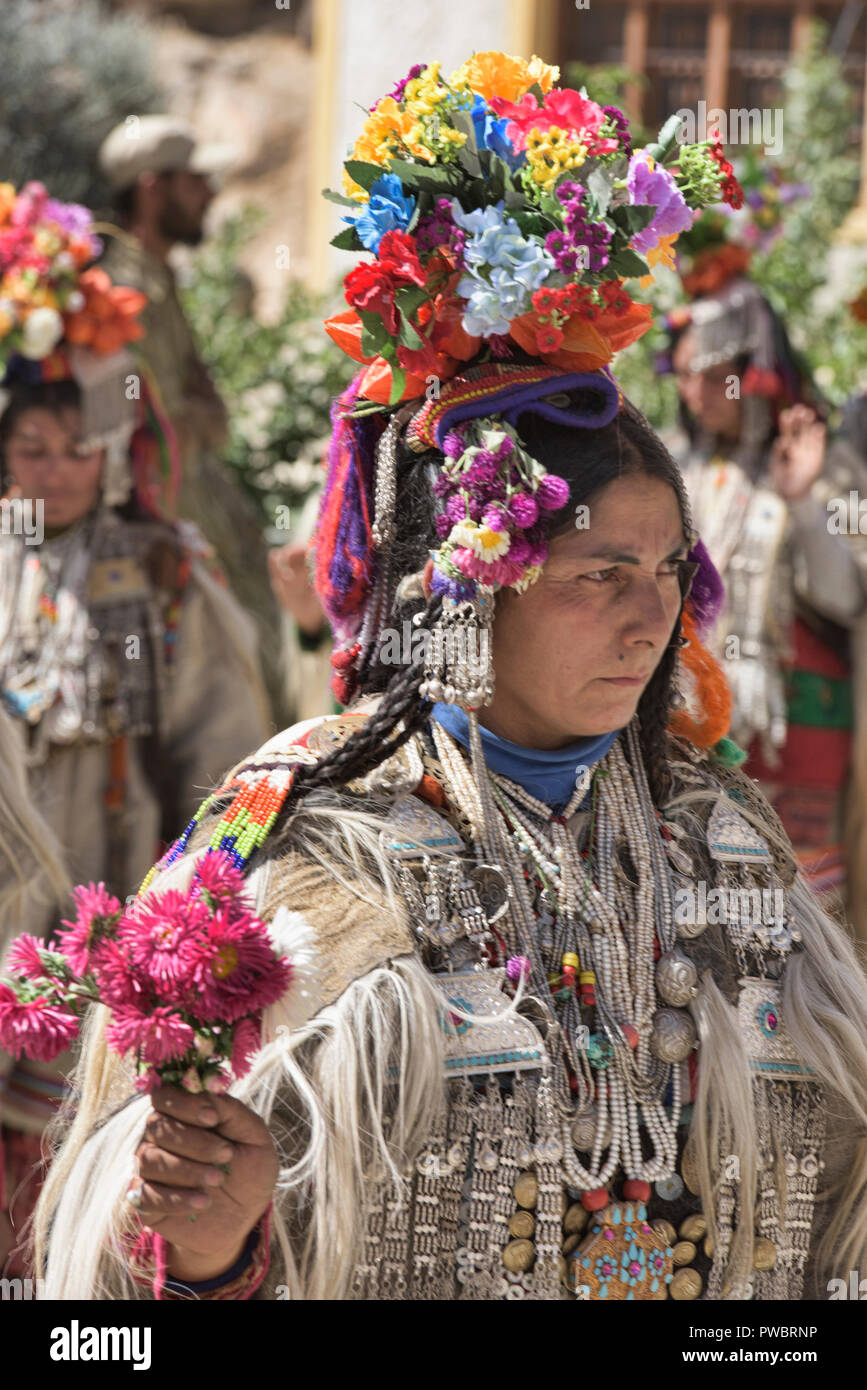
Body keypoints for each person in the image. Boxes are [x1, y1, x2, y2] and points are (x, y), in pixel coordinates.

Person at [32, 56, 867, 1303]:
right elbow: (121, 1262)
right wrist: (213, 1251)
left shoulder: (722, 840)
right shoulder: (304, 851)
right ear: (472, 586)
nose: (651, 617)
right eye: (598, 575)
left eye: (666, 569)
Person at [0, 182, 270, 1267]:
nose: (50, 469)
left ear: (113, 451)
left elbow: (224, 775)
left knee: (77, 1221)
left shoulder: (162, 581)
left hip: (98, 961)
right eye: (28, 446)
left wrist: (177, 943)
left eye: (74, 447)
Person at [666, 274, 867, 918]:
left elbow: (848, 598)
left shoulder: (828, 464)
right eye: (683, 373)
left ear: (751, 372)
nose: (693, 390)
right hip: (701, 718)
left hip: (800, 726)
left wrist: (803, 498)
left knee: (802, 917)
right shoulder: (678, 470)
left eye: (708, 371)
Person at [96, 116, 284, 722]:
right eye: (194, 180)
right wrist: (202, 414)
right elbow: (136, 419)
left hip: (206, 505)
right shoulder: (122, 285)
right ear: (153, 188)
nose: (210, 193)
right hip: (175, 519)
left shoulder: (156, 274)